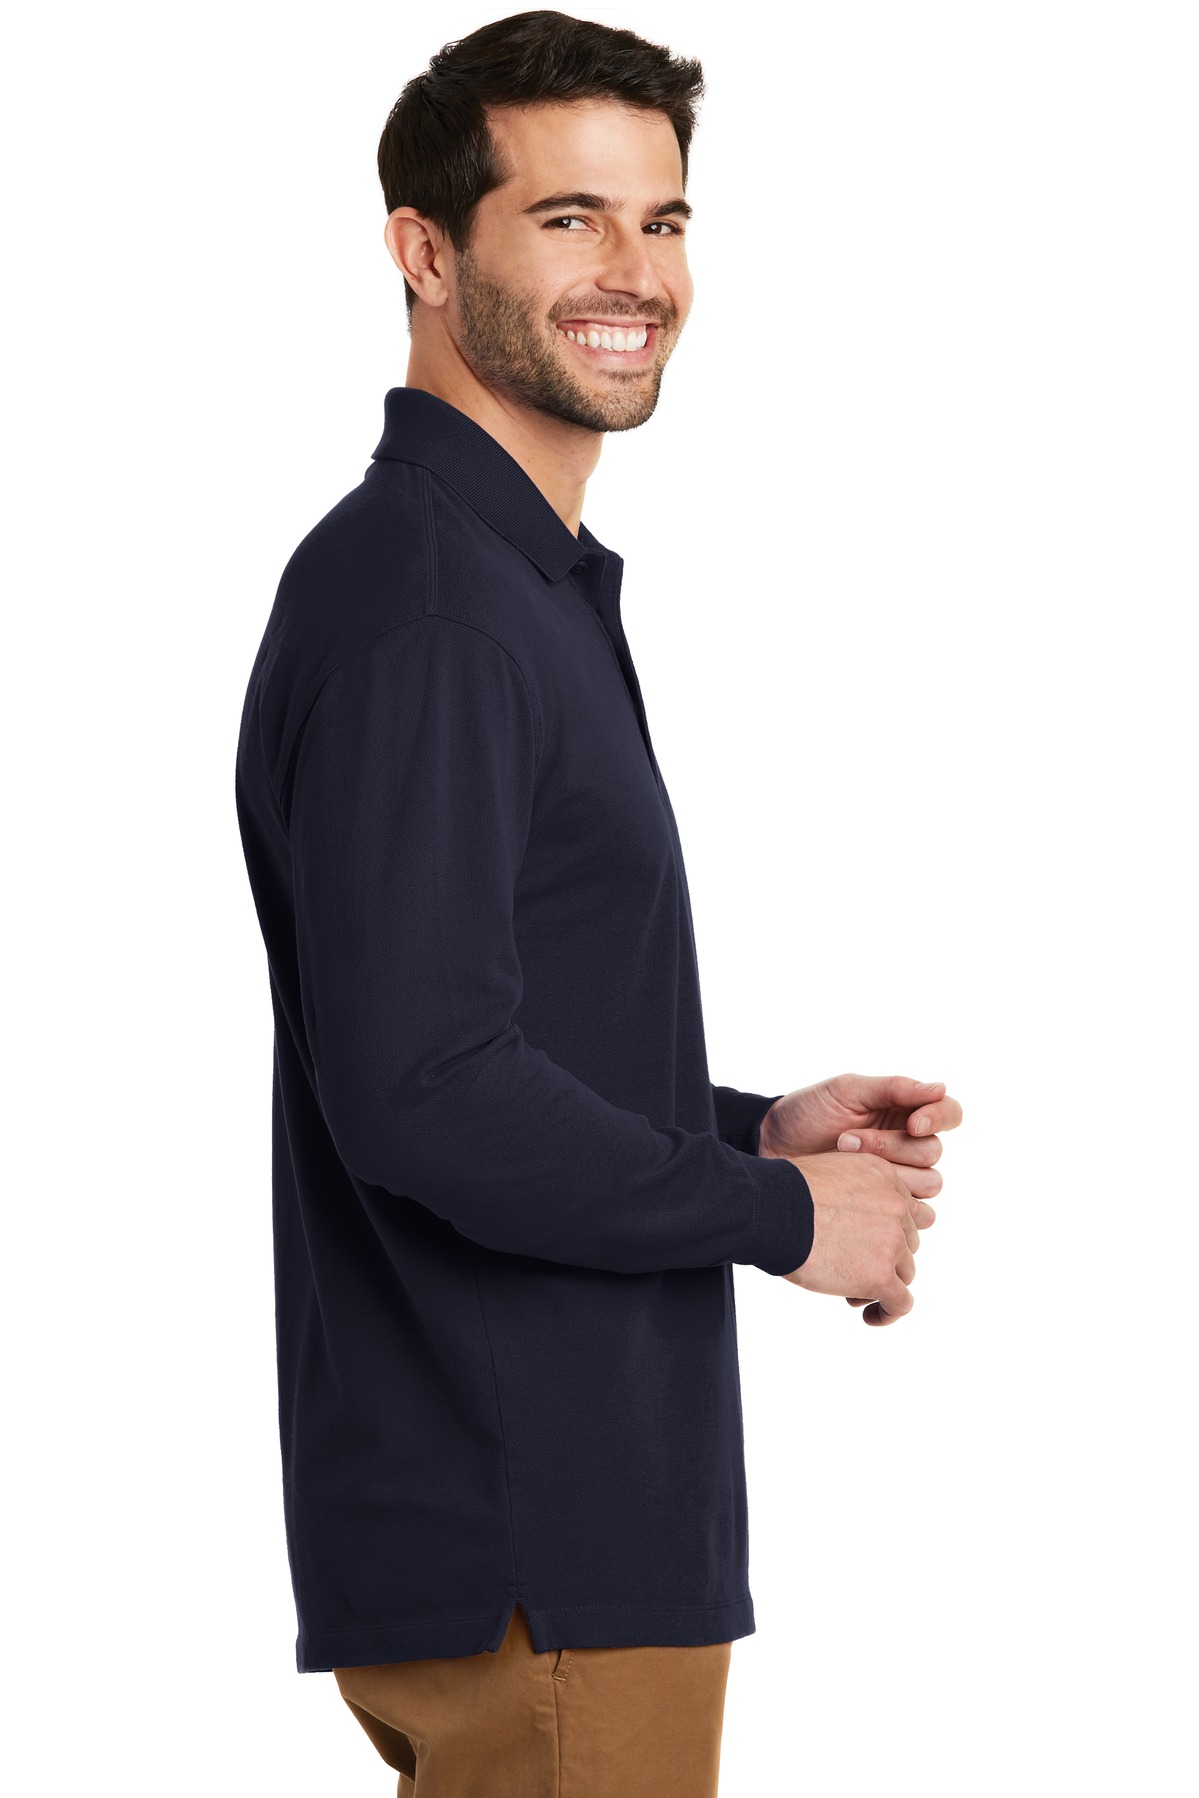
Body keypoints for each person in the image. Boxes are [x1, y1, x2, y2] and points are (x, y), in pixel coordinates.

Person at [233, 10, 963, 1795]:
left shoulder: (496, 582)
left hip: (535, 1537)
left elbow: (468, 1031)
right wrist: (777, 1216)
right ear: (424, 252)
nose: (634, 272)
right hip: (542, 1546)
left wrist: (749, 1128)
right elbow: (424, 1090)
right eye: (568, 218)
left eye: (665, 218)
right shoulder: (435, 610)